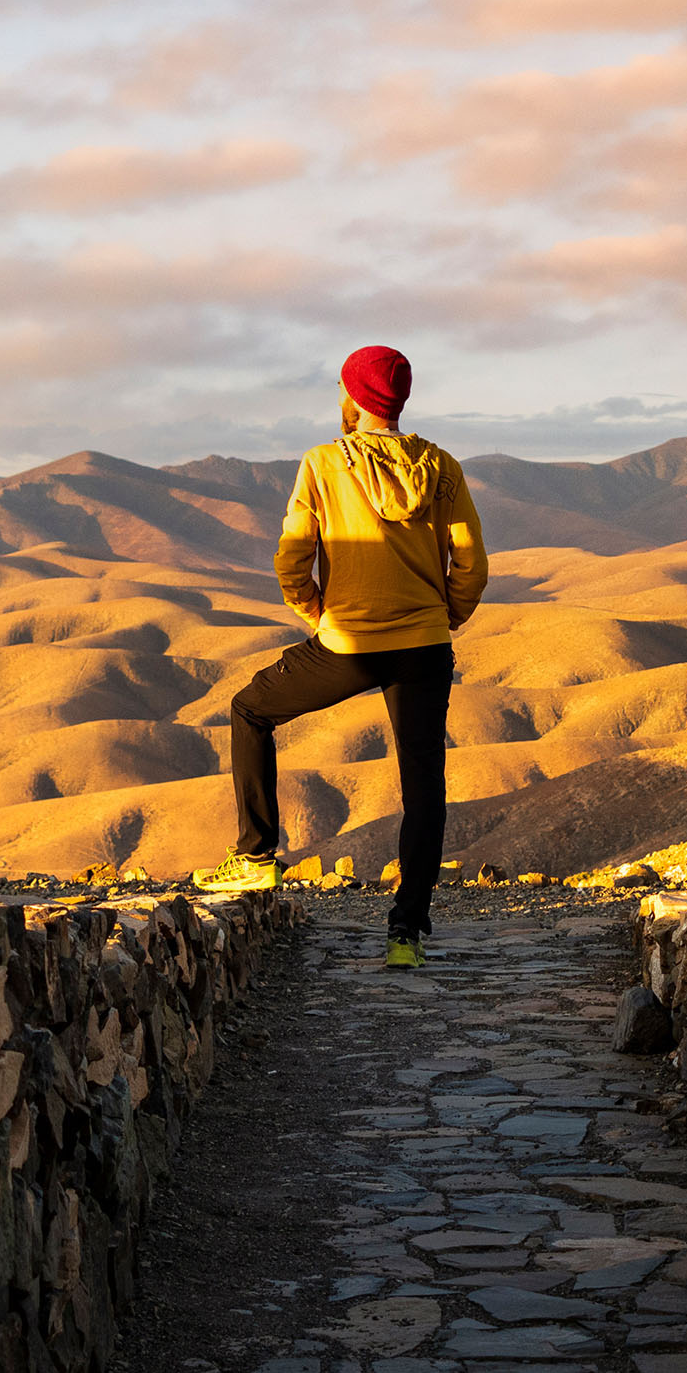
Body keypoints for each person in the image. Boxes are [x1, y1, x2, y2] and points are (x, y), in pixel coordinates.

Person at [198, 345, 488, 968]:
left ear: (353, 398)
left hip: (347, 644)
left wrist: (318, 614)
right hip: (424, 647)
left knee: (250, 711)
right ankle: (405, 933)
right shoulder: (442, 469)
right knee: (424, 785)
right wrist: (444, 618)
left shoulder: (324, 464)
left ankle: (253, 859)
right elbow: (471, 563)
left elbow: (291, 556)